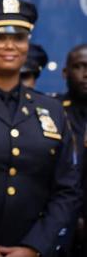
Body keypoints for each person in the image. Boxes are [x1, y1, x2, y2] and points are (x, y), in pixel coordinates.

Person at [0, 0, 80, 257]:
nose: (10, 45)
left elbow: (67, 190)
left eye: (19, 37)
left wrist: (35, 246)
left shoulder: (52, 110)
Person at [59, 44, 87, 257]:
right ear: (65, 72)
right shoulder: (51, 110)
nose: (86, 75)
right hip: (59, 221)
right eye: (80, 67)